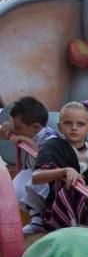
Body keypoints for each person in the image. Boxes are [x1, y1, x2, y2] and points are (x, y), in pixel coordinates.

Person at [32, 101, 88, 231]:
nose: (74, 128)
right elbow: (36, 177)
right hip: (59, 210)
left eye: (80, 124)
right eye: (68, 123)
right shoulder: (53, 146)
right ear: (59, 127)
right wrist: (64, 171)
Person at [2, 96, 58, 235]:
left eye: (18, 127)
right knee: (17, 183)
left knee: (33, 179)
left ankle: (38, 219)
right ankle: (35, 217)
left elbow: (47, 165)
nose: (15, 130)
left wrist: (30, 145)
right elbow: (6, 130)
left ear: (36, 127)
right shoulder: (27, 129)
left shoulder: (50, 140)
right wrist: (8, 126)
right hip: (32, 175)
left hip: (50, 182)